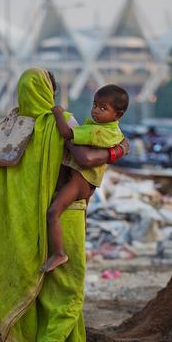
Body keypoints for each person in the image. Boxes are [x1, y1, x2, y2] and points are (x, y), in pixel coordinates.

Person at [0, 68, 129, 342]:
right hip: (67, 216)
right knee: (69, 294)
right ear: (48, 91)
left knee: (46, 295)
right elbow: (85, 157)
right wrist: (119, 148)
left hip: (29, 227)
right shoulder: (60, 121)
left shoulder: (8, 128)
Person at [43, 85, 127, 272]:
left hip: (80, 180)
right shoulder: (110, 131)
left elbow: (66, 133)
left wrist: (58, 112)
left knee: (53, 212)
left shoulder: (99, 132)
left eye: (103, 108)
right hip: (86, 181)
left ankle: (59, 253)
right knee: (79, 220)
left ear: (118, 115)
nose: (96, 110)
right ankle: (77, 250)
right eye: (95, 105)